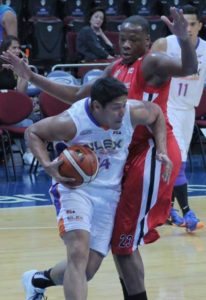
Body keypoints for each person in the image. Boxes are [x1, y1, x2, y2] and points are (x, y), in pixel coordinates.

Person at [1, 7, 197, 300]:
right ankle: (39, 280)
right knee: (92, 259)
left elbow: (185, 71)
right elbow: (75, 94)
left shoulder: (151, 62)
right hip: (112, 165)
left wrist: (183, 40)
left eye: (134, 39)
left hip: (151, 152)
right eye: (123, 39)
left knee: (122, 245)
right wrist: (31, 76)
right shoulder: (114, 71)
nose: (127, 45)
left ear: (147, 41)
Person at [23, 77, 172, 300]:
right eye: (116, 108)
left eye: (123, 105)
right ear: (96, 106)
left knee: (88, 270)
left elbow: (157, 114)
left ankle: (37, 280)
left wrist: (162, 149)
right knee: (78, 252)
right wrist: (46, 165)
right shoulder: (72, 122)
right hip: (75, 189)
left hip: (109, 194)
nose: (122, 112)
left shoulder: (132, 112)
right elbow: (32, 132)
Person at [151, 4, 205, 232]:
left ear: (200, 25)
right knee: (178, 162)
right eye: (184, 23)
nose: (188, 28)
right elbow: (146, 70)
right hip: (167, 107)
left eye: (192, 23)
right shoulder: (166, 43)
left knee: (173, 163)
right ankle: (187, 211)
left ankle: (167, 209)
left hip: (188, 111)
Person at [0, 35, 34, 165]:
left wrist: (24, 72)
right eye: (13, 47)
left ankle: (29, 154)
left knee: (31, 121)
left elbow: (20, 94)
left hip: (10, 112)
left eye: (18, 48)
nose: (17, 50)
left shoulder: (15, 68)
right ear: (4, 50)